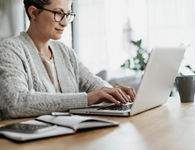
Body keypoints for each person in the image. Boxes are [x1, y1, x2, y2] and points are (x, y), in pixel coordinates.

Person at [0, 0, 135, 120]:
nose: (65, 23)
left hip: (69, 136)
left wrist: (113, 93)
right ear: (33, 13)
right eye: (58, 13)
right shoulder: (9, 49)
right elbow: (15, 102)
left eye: (68, 14)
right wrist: (86, 99)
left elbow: (93, 83)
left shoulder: (65, 52)